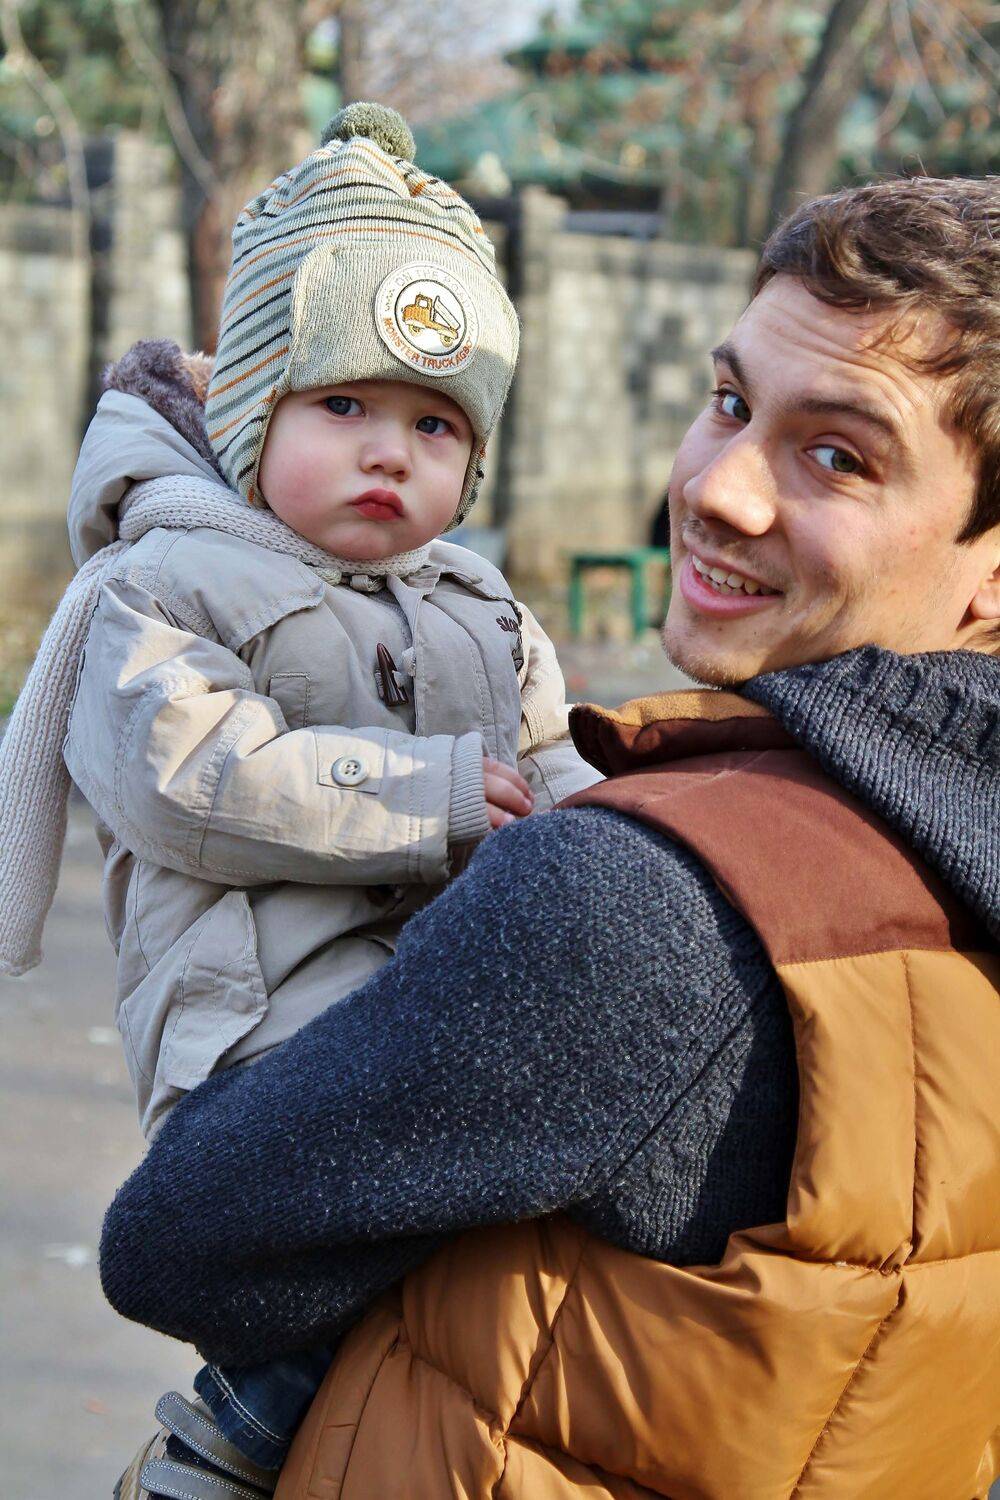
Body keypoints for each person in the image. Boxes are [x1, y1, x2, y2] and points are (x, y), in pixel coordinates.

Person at [100, 174, 1000, 1500]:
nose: (717, 489)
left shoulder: (645, 900)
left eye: (839, 457)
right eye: (731, 402)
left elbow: (179, 1247)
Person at [0, 103, 602, 1497]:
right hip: (259, 1030)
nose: (391, 453)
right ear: (251, 409)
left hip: (432, 1008)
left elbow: (552, 760)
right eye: (344, 408)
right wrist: (429, 797)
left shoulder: (482, 604)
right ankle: (232, 1436)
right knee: (375, 1238)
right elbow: (190, 779)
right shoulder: (163, 582)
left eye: (435, 424)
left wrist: (613, 839)